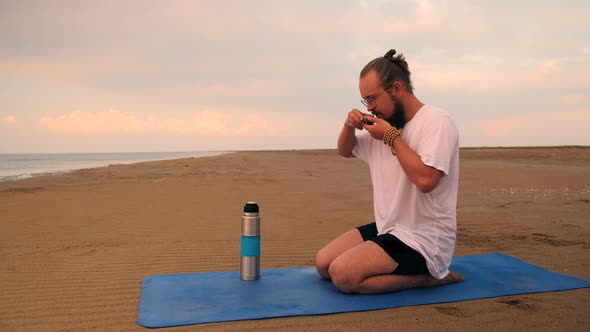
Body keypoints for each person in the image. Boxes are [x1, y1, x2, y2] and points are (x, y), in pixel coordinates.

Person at [315, 49, 464, 294]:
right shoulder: (384, 125)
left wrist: (391, 137)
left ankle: (429, 278)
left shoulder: (437, 121)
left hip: (423, 238)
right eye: (365, 101)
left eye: (372, 99)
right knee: (323, 263)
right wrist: (349, 127)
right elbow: (345, 150)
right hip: (391, 226)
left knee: (342, 275)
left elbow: (426, 180)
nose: (370, 108)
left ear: (396, 88)